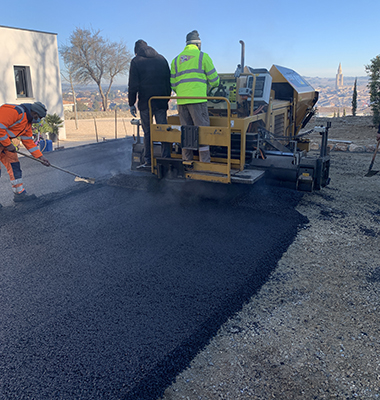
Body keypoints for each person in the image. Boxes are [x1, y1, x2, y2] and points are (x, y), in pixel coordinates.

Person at [170, 30, 220, 162]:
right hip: (198, 101)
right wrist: (209, 87)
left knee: (186, 131)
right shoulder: (203, 57)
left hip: (181, 102)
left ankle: (187, 161)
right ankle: (204, 162)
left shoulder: (175, 60)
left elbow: (173, 84)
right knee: (202, 131)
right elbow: (215, 81)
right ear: (198, 44)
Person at [128, 40, 172, 169]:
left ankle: (148, 160)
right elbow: (167, 80)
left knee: (147, 131)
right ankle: (166, 157)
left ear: (136, 51)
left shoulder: (136, 61)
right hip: (161, 100)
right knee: (163, 129)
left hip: (145, 102)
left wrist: (131, 103)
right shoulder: (162, 59)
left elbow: (133, 85)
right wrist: (166, 97)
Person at [0, 102, 51, 203]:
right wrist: (8, 144)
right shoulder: (15, 112)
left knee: (14, 165)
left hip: (4, 143)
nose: (39, 119)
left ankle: (19, 194)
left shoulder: (27, 123)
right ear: (35, 113)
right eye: (39, 117)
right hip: (5, 142)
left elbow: (28, 142)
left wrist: (40, 157)